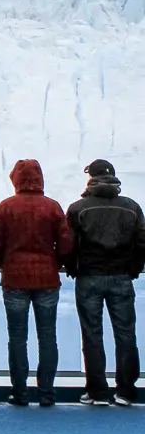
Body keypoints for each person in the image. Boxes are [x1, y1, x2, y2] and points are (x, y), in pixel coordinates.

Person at [0, 159, 73, 407]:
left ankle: (20, 392)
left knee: (17, 337)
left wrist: (8, 263)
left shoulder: (6, 207)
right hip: (47, 279)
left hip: (14, 280)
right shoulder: (52, 207)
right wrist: (53, 263)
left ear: (16, 180)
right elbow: (66, 243)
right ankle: (46, 393)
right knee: (48, 337)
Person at [65, 158, 145, 407]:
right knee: (126, 334)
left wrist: (72, 267)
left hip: (89, 276)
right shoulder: (131, 207)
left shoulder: (79, 208)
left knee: (92, 334)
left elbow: (68, 245)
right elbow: (142, 242)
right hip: (121, 277)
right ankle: (125, 391)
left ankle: (98, 391)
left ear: (91, 178)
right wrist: (134, 268)